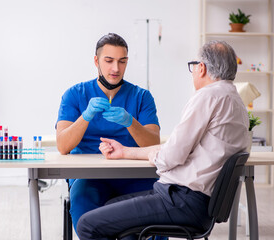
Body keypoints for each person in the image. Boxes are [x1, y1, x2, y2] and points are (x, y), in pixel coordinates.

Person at [76, 40, 249, 240]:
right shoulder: (236, 101)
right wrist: (125, 151)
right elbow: (178, 148)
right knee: (110, 210)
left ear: (201, 68)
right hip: (198, 203)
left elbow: (171, 156)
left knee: (88, 225)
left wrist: (158, 155)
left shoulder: (207, 97)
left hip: (181, 200)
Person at [56, 33, 161, 234]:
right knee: (84, 214)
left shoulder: (142, 97)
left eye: (122, 61)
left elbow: (153, 142)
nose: (116, 68)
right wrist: (85, 116)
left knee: (154, 213)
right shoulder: (75, 94)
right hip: (88, 177)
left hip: (135, 175)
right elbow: (62, 146)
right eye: (109, 61)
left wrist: (130, 122)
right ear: (96, 61)